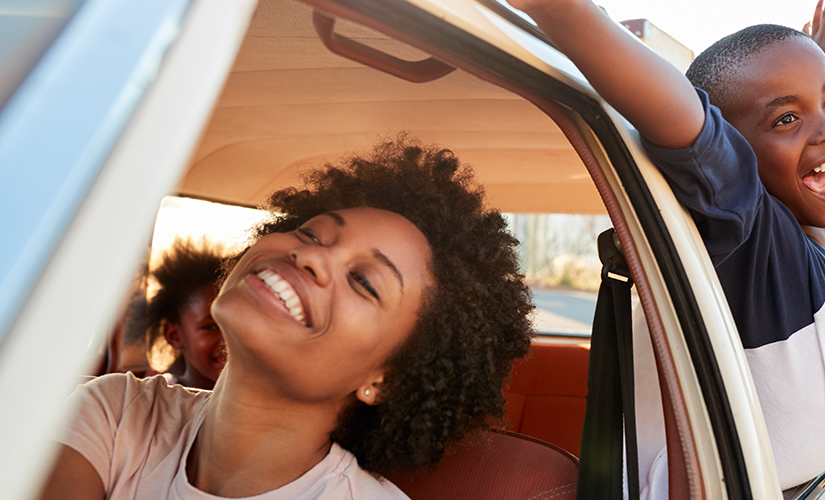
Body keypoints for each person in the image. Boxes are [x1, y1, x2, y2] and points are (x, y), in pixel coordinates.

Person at [510, 0, 825, 492]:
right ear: (730, 153)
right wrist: (562, 12)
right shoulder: (756, 243)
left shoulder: (810, 240)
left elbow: (801, 158)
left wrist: (811, 72)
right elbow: (696, 134)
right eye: (786, 119)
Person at [37, 139, 534, 499]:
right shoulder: (117, 410)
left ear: (387, 380)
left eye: (363, 281)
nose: (311, 256)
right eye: (312, 233)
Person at [131, 239, 230, 390]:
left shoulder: (260, 396)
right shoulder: (157, 396)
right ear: (174, 336)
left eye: (236, 324)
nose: (229, 339)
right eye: (211, 327)